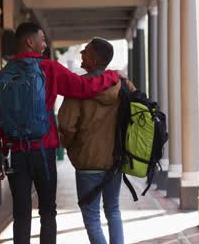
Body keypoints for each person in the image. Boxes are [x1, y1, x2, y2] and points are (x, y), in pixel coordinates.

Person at [0, 22, 120, 244]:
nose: (45, 44)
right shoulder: (49, 68)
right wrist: (111, 76)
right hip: (43, 149)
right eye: (42, 39)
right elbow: (85, 87)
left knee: (21, 212)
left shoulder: (1, 76)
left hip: (14, 152)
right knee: (47, 211)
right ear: (30, 42)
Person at [58, 38, 136, 244]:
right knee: (113, 210)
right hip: (115, 159)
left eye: (85, 52)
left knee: (92, 217)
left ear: (92, 59)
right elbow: (137, 110)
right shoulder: (122, 85)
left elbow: (66, 125)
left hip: (87, 161)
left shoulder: (78, 88)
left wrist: (70, 145)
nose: (81, 54)